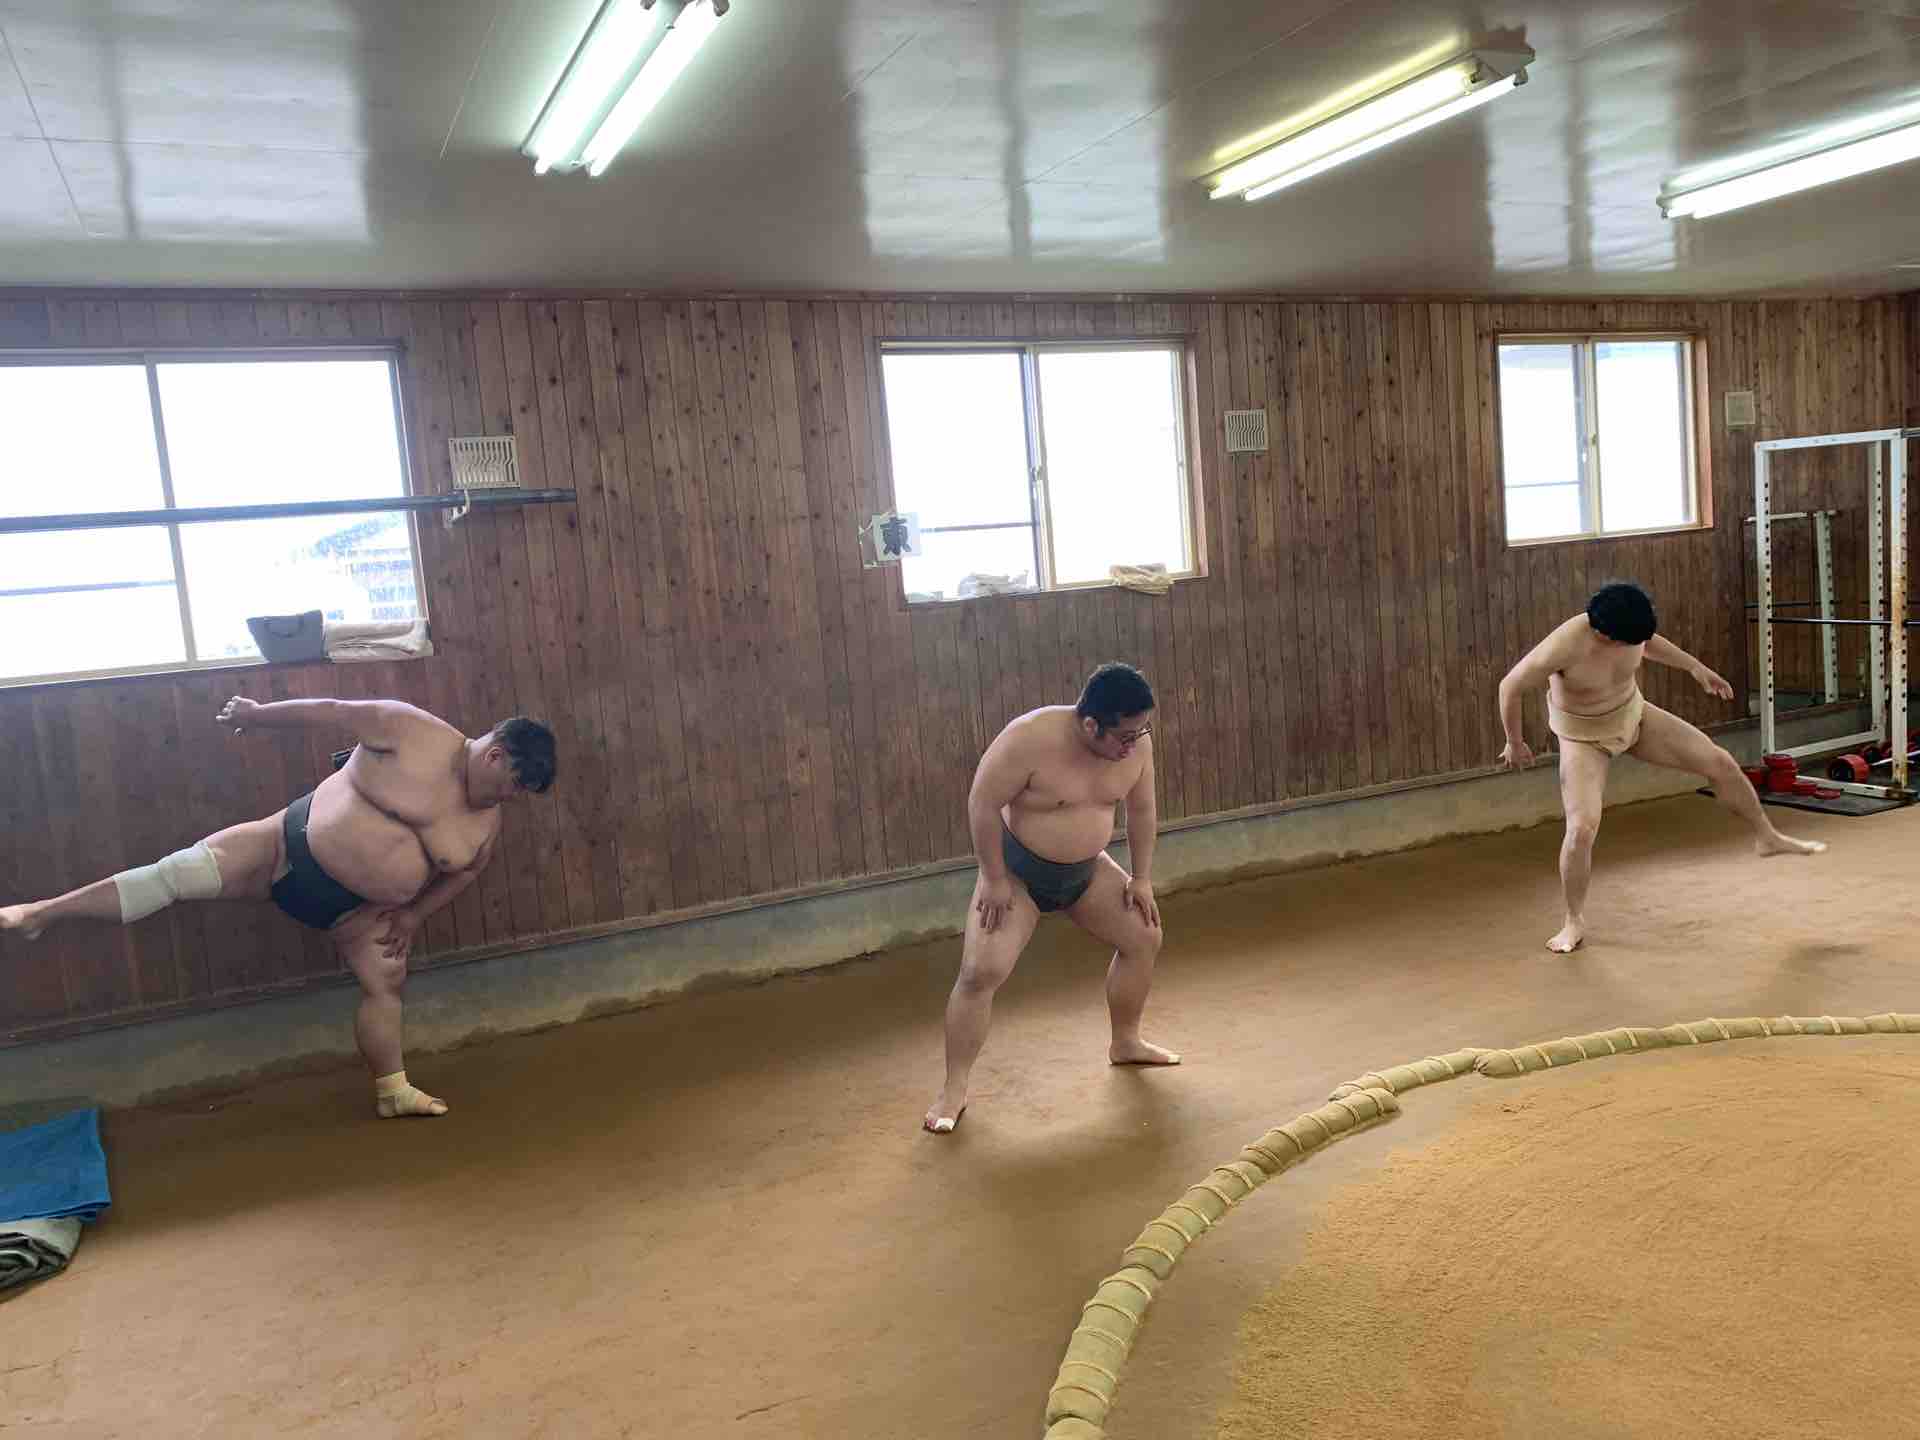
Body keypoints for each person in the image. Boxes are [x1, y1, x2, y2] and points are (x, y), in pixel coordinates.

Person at [0, 696, 556, 1118]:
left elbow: (468, 871)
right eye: (511, 786)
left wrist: (414, 915)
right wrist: (258, 714)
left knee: (386, 983)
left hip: (356, 912)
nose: (507, 799)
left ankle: (393, 1091)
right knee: (175, 874)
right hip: (280, 847)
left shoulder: (487, 823)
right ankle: (41, 913)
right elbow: (332, 711)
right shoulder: (411, 730)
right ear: (495, 754)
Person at [1498, 581, 1824, 953]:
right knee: (1581, 828)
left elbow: (1649, 642)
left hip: (1633, 716)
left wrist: (1695, 667)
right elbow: (1510, 686)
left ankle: (1767, 836)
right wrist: (1514, 741)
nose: (1634, 646)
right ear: (1603, 633)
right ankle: (1573, 921)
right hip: (1583, 737)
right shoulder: (1565, 645)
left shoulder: (1631, 629)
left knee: (1720, 762)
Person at [925, 662, 1177, 1134]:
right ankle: (953, 1089)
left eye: (1141, 731)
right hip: (1016, 875)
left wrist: (1141, 877)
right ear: (1091, 725)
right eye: (1124, 735)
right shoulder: (1029, 738)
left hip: (1086, 871)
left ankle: (1125, 1042)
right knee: (981, 971)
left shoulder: (1136, 746)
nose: (1134, 743)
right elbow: (982, 802)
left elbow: (1142, 810)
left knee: (1144, 937)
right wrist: (993, 877)